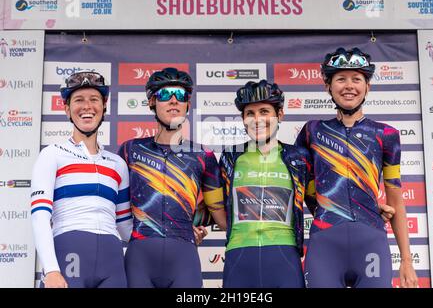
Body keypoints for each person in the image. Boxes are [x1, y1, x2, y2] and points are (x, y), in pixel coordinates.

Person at [218, 80, 394, 288]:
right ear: (243, 118)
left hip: (285, 256)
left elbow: (320, 199)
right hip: (239, 255)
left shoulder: (298, 157)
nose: (258, 119)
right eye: (250, 113)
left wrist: (367, 209)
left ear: (280, 115)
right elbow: (212, 205)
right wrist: (191, 225)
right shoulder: (230, 157)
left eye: (265, 111)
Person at [295, 47, 418, 288]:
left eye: (356, 79)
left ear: (368, 87)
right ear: (327, 87)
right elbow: (305, 190)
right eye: (340, 79)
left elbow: (395, 197)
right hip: (325, 243)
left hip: (371, 242)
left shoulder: (386, 134)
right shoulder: (312, 131)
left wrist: (406, 260)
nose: (348, 85)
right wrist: (329, 209)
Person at [118, 67, 227, 288]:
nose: (174, 101)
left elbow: (217, 212)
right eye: (165, 94)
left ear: (188, 104)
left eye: (181, 95)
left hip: (183, 257)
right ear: (151, 102)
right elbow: (113, 206)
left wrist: (192, 225)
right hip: (140, 256)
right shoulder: (130, 150)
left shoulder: (203, 156)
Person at [31, 71, 132, 288]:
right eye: (78, 100)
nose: (87, 106)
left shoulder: (117, 164)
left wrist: (168, 234)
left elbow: (125, 228)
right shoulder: (52, 154)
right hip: (68, 251)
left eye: (94, 99)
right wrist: (51, 270)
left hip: (112, 260)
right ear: (67, 109)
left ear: (104, 106)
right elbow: (40, 216)